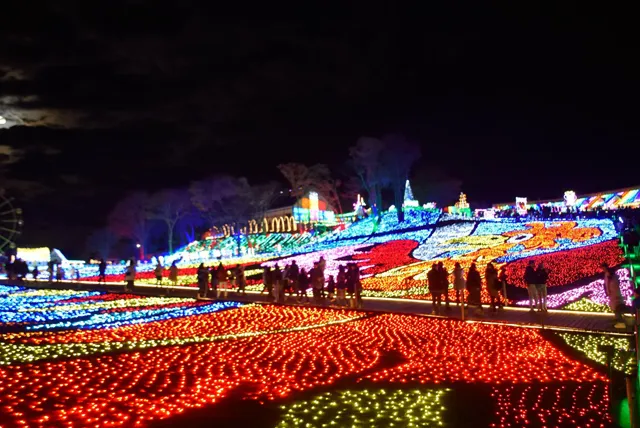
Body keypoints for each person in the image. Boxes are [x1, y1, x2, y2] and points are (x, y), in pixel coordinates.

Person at [603, 265, 625, 329]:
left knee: (616, 307)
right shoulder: (613, 276)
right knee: (615, 307)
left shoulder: (611, 277)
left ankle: (621, 322)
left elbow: (608, 284)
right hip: (614, 294)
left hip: (614, 294)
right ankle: (619, 320)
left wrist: (608, 291)